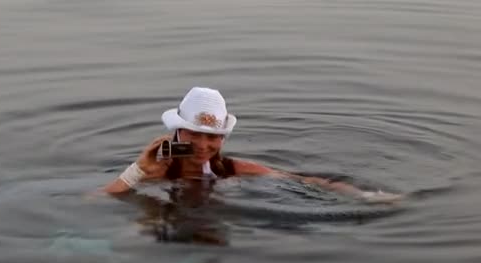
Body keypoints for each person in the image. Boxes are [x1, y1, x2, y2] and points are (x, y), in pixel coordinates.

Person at [103, 86, 403, 204]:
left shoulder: (230, 168)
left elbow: (300, 180)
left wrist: (364, 195)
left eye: (212, 137)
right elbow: (99, 199)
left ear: (222, 138)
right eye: (194, 134)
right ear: (178, 133)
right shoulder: (156, 172)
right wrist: (138, 170)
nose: (203, 145)